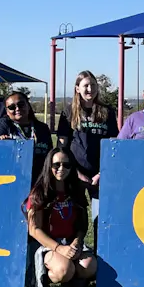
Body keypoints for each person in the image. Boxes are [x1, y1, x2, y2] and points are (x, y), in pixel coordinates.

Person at [25, 149, 96, 287]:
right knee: (64, 270)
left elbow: (82, 224)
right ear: (48, 166)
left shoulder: (76, 190)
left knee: (90, 266)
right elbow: (34, 229)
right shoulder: (38, 192)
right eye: (56, 165)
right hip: (46, 245)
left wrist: (77, 242)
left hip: (70, 242)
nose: (61, 169)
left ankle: (72, 284)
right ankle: (35, 279)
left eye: (67, 165)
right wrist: (59, 248)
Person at [61, 70, 118, 200]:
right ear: (77, 89)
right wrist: (75, 172)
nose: (90, 89)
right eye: (86, 85)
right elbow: (62, 145)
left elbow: (113, 144)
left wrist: (101, 173)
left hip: (100, 173)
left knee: (100, 215)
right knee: (76, 215)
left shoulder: (107, 112)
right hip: (75, 172)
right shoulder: (69, 112)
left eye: (93, 85)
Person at [0, 88, 55, 180]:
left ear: (28, 106)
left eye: (21, 105)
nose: (17, 109)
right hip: (11, 178)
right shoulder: (2, 125)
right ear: (6, 111)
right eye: (12, 107)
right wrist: (4, 144)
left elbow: (49, 155)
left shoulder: (42, 128)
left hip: (39, 179)